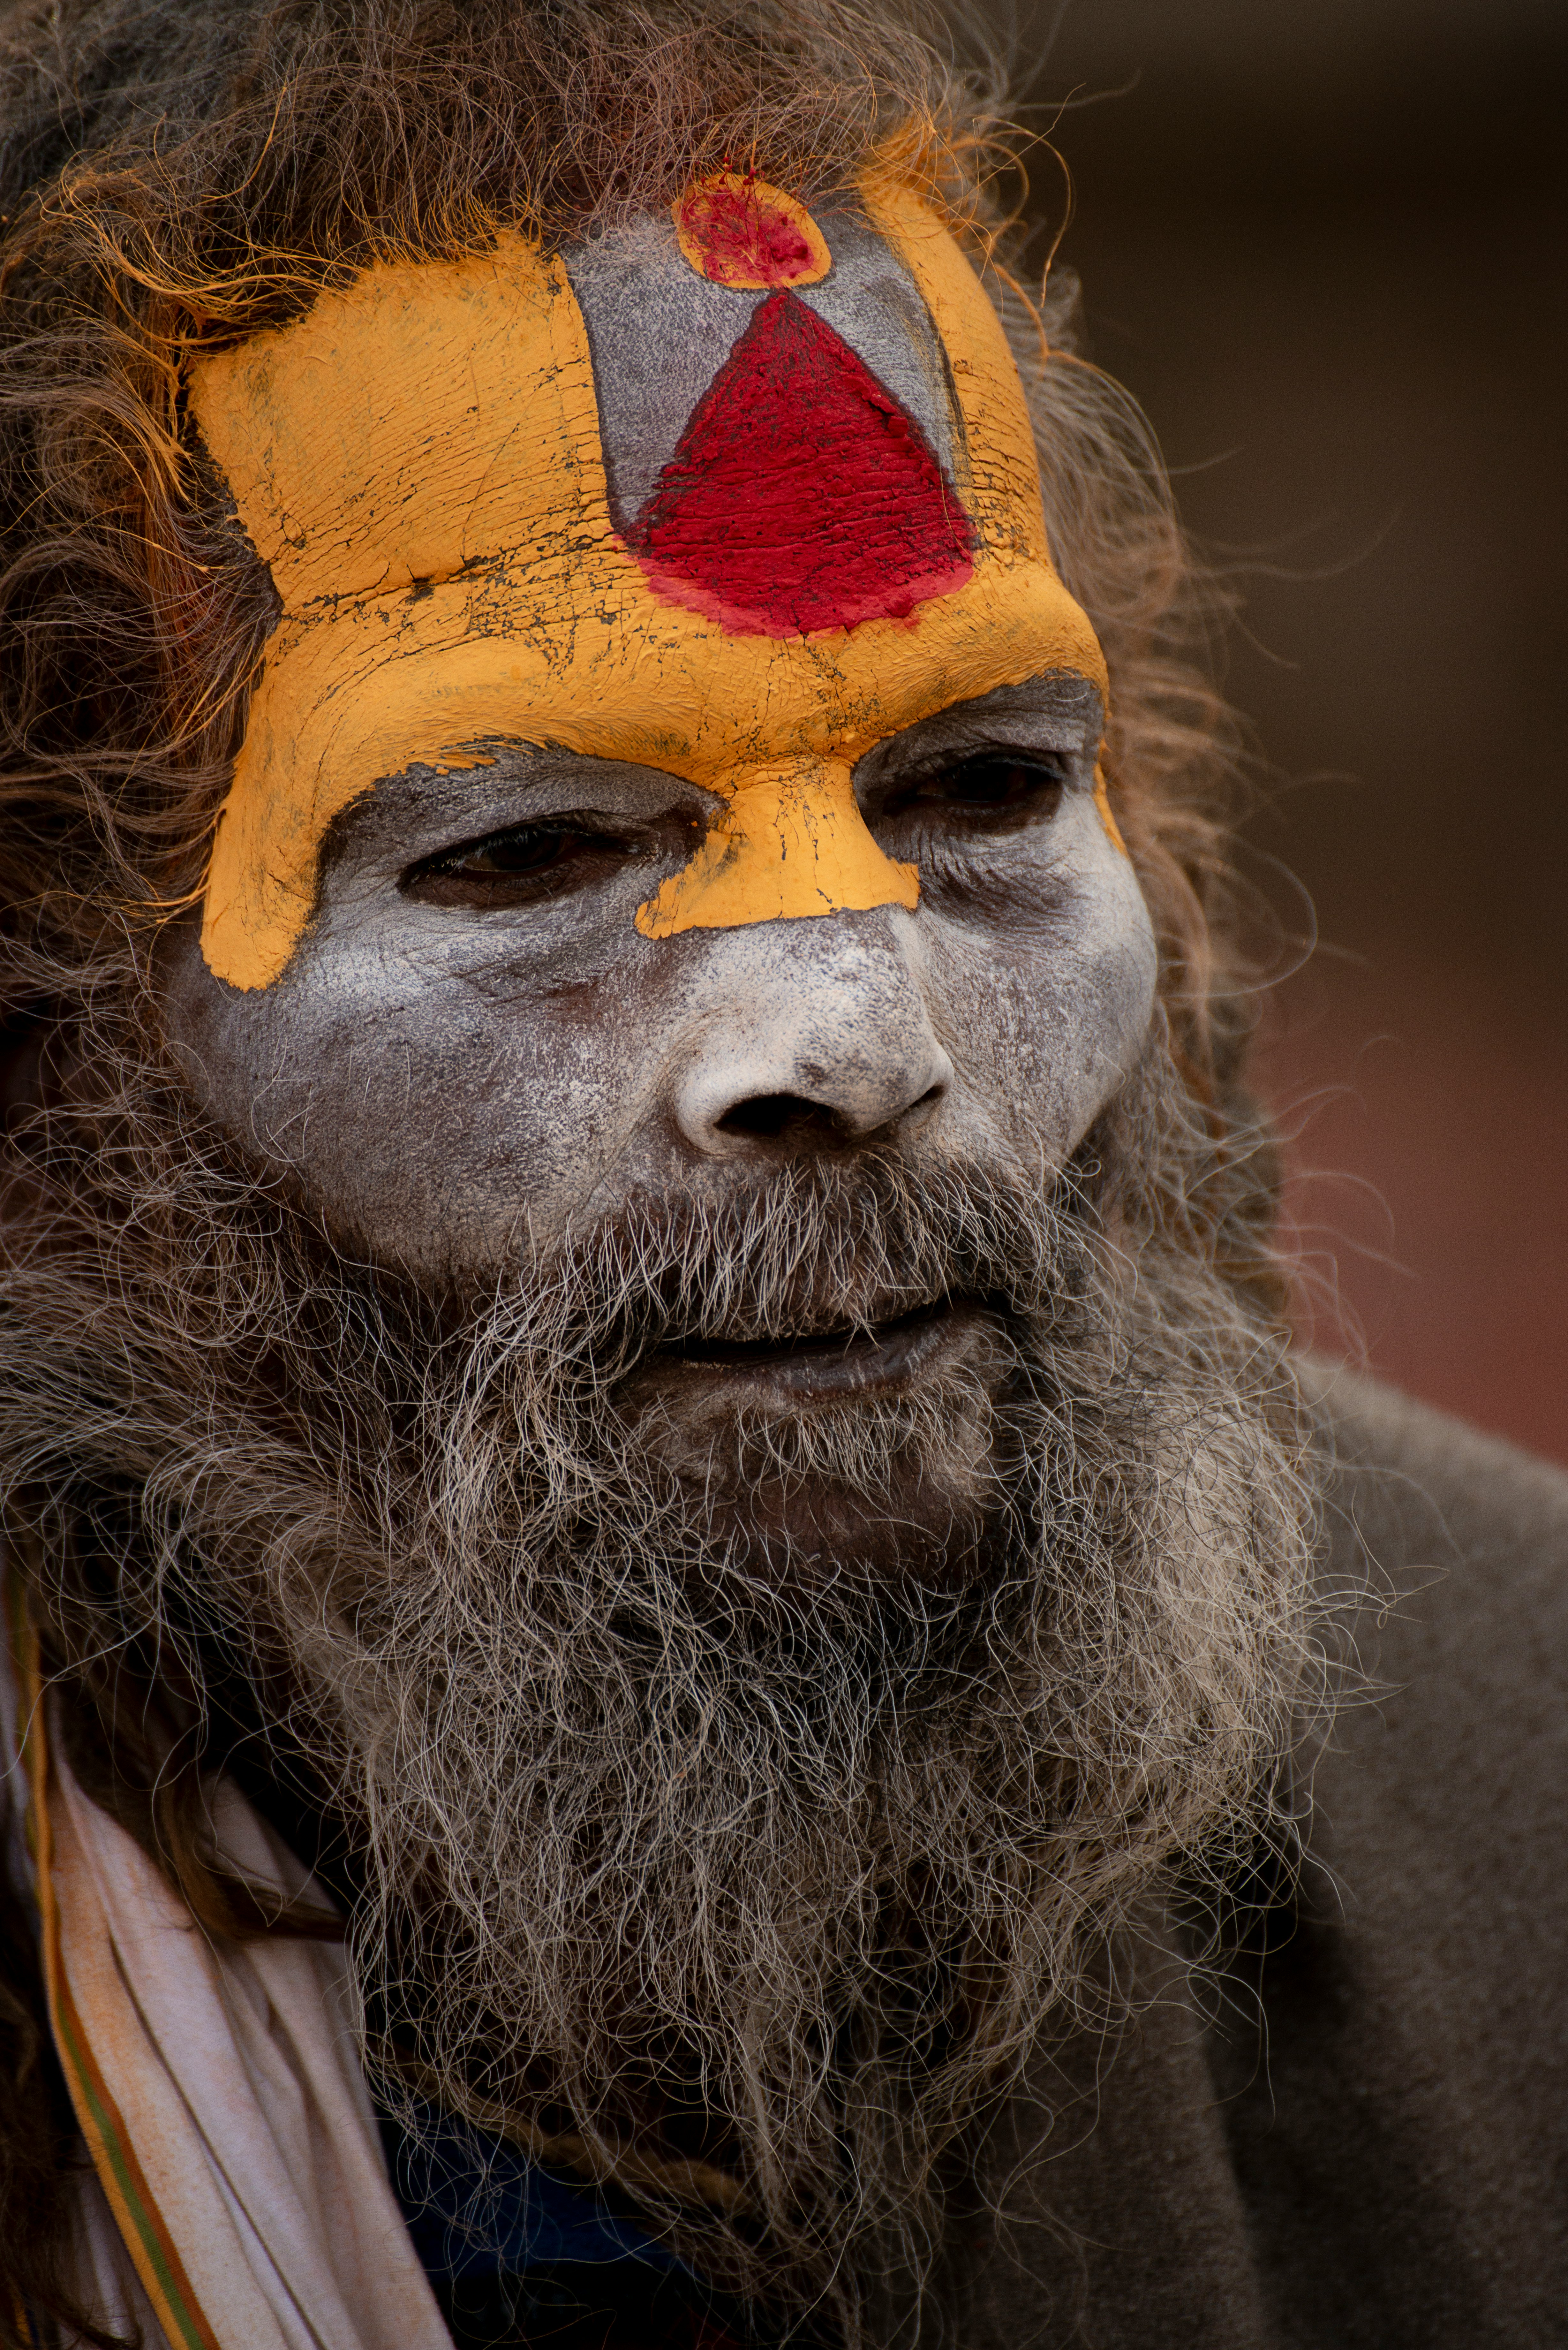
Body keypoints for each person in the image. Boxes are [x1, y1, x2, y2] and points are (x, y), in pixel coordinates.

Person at [0, 2, 1562, 2344]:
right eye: (527, 845)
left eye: (980, 792)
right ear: (66, 1026)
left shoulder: (1517, 1779)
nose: (857, 1041)